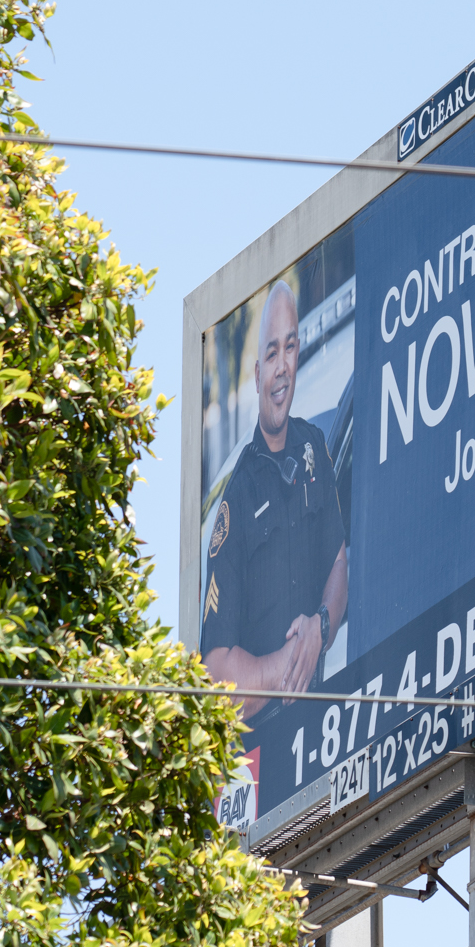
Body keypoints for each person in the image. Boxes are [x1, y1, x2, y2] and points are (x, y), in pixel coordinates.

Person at [201, 281, 349, 720]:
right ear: (257, 374)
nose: (282, 367)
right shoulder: (237, 501)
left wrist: (320, 628)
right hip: (260, 761)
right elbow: (214, 678)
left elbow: (338, 560)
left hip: (326, 725)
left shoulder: (315, 446)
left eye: (289, 348)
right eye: (271, 354)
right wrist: (286, 666)